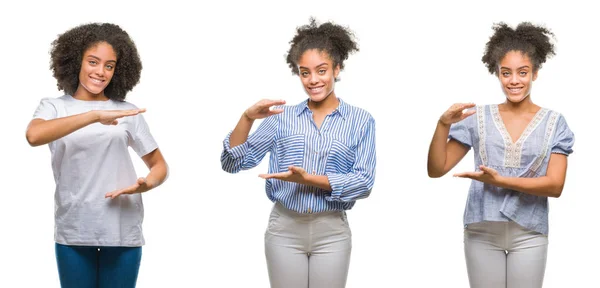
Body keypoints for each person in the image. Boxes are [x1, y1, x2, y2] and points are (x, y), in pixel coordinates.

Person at [221, 18, 376, 288]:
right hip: (284, 228)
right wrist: (247, 118)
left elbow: (363, 183)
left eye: (322, 70)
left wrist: (310, 180)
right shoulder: (282, 118)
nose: (313, 80)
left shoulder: (361, 120)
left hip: (332, 231)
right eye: (305, 72)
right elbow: (232, 163)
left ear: (337, 69)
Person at [427, 22, 574, 288]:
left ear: (536, 73)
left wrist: (500, 181)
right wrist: (442, 124)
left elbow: (555, 185)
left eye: (523, 72)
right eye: (506, 73)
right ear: (497, 73)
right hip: (481, 231)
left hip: (530, 232)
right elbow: (436, 169)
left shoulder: (555, 122)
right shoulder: (477, 118)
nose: (514, 80)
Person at [26, 23, 168, 288]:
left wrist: (147, 183)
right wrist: (94, 115)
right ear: (76, 60)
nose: (100, 72)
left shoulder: (127, 112)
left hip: (121, 228)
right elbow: (34, 136)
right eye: (93, 62)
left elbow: (159, 165)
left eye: (109, 65)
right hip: (74, 228)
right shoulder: (54, 106)